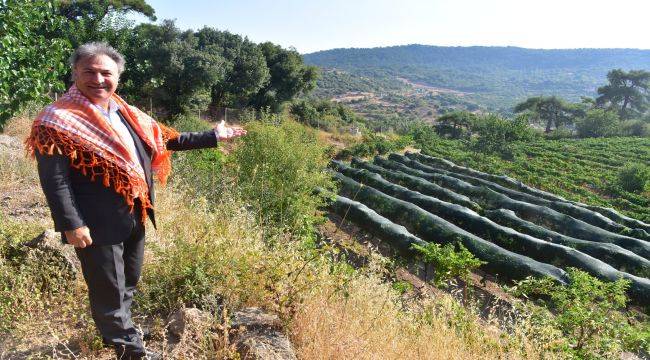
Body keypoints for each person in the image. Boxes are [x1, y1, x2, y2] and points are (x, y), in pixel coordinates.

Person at [26, 42, 246, 359]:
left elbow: (165, 139)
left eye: (106, 73)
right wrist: (72, 224)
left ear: (118, 76)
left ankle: (118, 331)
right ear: (75, 72)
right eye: (89, 71)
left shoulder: (124, 111)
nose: (98, 79)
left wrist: (213, 136)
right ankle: (129, 349)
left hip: (134, 212)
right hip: (95, 221)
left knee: (128, 279)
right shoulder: (55, 119)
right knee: (108, 288)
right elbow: (54, 179)